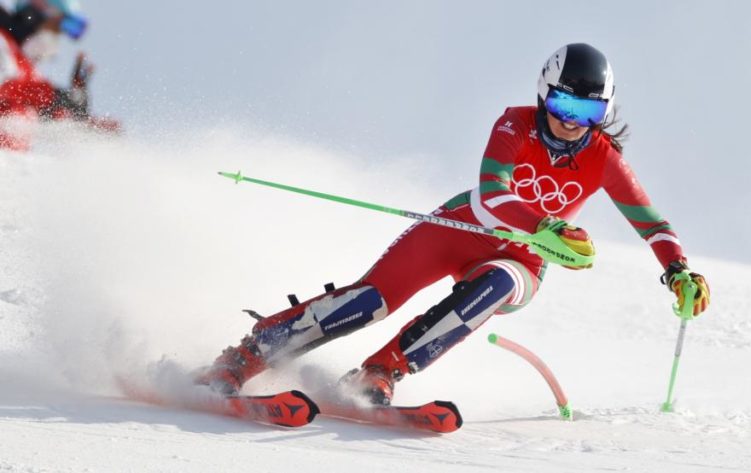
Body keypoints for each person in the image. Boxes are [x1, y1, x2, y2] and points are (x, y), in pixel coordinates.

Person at [197, 43, 711, 405]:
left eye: (588, 109)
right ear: (543, 93)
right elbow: (491, 197)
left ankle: (381, 372)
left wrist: (679, 271)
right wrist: (545, 226)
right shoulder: (513, 123)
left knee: (497, 284)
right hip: (459, 228)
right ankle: (245, 357)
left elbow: (653, 223)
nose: (572, 120)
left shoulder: (603, 157)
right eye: (562, 103)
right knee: (369, 301)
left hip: (521, 259)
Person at [0, 0, 118, 150]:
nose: (55, 39)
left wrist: (81, 110)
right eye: (55, 29)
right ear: (35, 15)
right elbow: (13, 89)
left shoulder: (24, 65)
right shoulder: (2, 42)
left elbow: (48, 110)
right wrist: (59, 97)